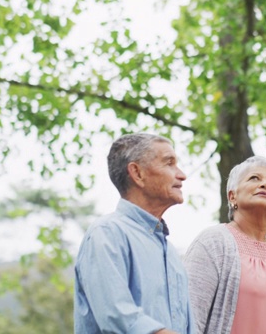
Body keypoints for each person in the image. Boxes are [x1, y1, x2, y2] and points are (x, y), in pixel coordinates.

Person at [74, 133, 195, 334]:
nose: (182, 175)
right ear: (137, 173)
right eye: (169, 163)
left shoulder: (171, 253)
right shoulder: (107, 234)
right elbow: (117, 317)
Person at [184, 156, 266, 334]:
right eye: (254, 178)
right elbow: (189, 320)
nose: (265, 184)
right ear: (232, 196)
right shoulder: (213, 243)